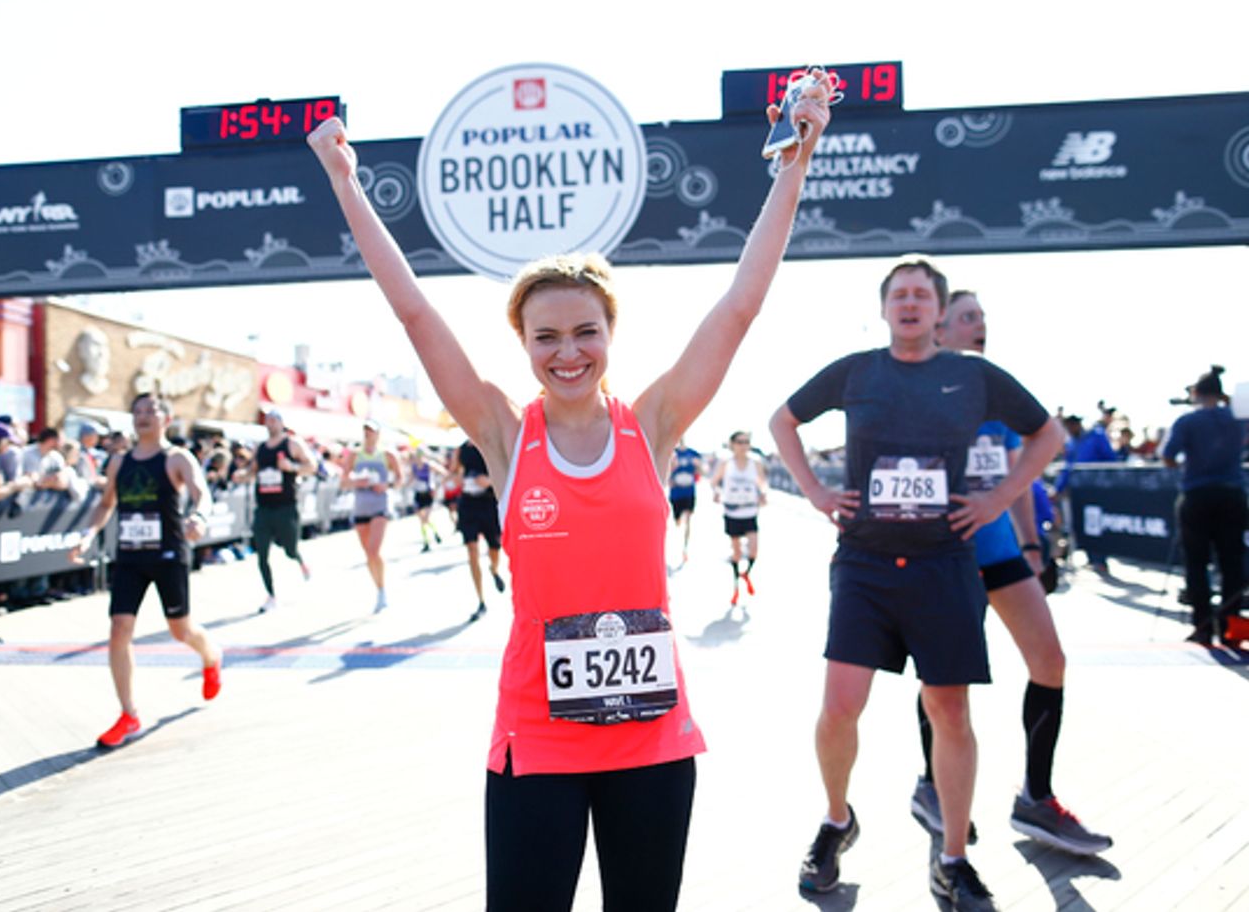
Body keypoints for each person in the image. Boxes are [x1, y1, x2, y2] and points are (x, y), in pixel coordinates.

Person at [307, 69, 831, 911]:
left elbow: (740, 306)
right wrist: (345, 181)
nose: (568, 352)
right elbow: (414, 314)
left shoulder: (653, 422)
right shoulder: (504, 434)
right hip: (538, 737)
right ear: (522, 341)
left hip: (652, 739)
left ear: (610, 334)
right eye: (546, 335)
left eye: (586, 331)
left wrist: (794, 165)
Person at [770, 259, 1064, 910]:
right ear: (884, 308)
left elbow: (1048, 434)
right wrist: (817, 490)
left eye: (921, 294)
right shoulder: (856, 370)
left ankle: (953, 858)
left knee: (949, 710)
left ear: (938, 309)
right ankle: (836, 819)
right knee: (840, 706)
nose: (910, 303)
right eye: (898, 294)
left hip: (943, 565)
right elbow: (782, 420)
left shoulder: (973, 375)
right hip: (865, 564)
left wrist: (999, 498)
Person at [905, 289, 1111, 855]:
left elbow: (1023, 470)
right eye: (967, 317)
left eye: (983, 317)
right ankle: (932, 785)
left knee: (1050, 660)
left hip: (1001, 552)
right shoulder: (919, 391)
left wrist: (1032, 544)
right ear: (939, 330)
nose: (981, 325)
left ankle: (1036, 799)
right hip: (945, 556)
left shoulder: (999, 393)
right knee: (946, 683)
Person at [70, 393, 223, 749]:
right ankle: (129, 714)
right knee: (119, 628)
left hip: (168, 554)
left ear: (166, 419)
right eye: (137, 411)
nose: (143, 417)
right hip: (130, 557)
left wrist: (199, 517)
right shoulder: (118, 462)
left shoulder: (176, 458)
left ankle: (211, 655)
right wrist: (88, 534)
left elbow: (202, 493)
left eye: (151, 411)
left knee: (180, 631)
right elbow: (106, 504)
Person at [1162, 366, 1247, 644]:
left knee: (1196, 564)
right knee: (1232, 563)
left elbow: (1168, 457)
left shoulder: (1187, 422)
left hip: (1197, 496)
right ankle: (1232, 629)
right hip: (1232, 495)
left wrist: (1191, 465)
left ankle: (1202, 628)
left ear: (1196, 393)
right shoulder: (1237, 418)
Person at [236, 410, 317, 614]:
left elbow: (312, 466)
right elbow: (252, 471)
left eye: (273, 420)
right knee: (262, 554)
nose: (269, 424)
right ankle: (271, 595)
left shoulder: (292, 444)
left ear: (282, 423)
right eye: (267, 421)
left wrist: (291, 466)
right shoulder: (261, 448)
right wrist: (242, 475)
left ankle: (300, 561)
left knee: (290, 549)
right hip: (263, 508)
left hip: (286, 507)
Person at [341, 419, 402, 612]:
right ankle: (379, 588)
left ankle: (382, 591)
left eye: (372, 431)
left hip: (380, 504)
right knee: (368, 554)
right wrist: (356, 482)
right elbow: (343, 482)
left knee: (374, 550)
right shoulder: (354, 455)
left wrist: (388, 486)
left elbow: (400, 479)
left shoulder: (387, 455)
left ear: (378, 434)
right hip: (361, 507)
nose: (368, 434)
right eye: (365, 430)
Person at [450, 438, 506, 623]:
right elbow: (453, 471)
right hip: (468, 504)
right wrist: (457, 478)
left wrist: (489, 482)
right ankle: (481, 600)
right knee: (471, 550)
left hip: (489, 503)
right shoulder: (461, 449)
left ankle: (494, 569)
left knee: (495, 549)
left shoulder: (490, 443)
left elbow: (506, 471)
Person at [1054, 413, 1118, 573]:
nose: (1068, 429)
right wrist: (1059, 488)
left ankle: (1101, 560)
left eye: (1070, 425)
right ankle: (1091, 559)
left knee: (1097, 524)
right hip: (1078, 491)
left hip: (1097, 490)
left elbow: (1110, 459)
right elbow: (1068, 467)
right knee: (1083, 525)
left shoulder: (1096, 436)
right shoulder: (1071, 443)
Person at [710, 431, 767, 606]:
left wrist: (763, 494)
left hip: (750, 511)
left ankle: (747, 573)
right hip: (732, 512)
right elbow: (714, 482)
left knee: (754, 550)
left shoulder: (755, 462)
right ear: (732, 444)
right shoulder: (726, 463)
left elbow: (762, 483)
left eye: (747, 442)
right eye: (740, 442)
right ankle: (736, 588)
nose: (743, 445)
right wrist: (717, 493)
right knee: (735, 553)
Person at [667, 441, 703, 565]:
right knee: (677, 522)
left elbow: (702, 472)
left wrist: (698, 467)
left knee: (688, 518)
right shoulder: (671, 452)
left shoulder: (693, 454)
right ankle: (676, 543)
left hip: (689, 492)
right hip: (676, 493)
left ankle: (685, 548)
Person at [409, 447, 448, 552]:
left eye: (419, 456)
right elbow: (410, 479)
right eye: (416, 456)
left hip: (428, 494)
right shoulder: (414, 467)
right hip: (418, 494)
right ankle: (427, 541)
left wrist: (437, 486)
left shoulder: (429, 465)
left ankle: (434, 535)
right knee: (422, 520)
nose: (417, 458)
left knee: (425, 518)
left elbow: (444, 473)